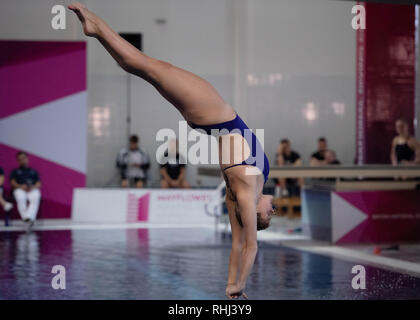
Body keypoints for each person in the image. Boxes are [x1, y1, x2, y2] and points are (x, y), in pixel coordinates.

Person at [69, 2, 274, 299]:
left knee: (146, 64)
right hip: (207, 120)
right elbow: (236, 245)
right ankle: (96, 29)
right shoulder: (241, 193)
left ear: (255, 214)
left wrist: (242, 283)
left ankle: (96, 26)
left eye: (269, 215)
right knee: (142, 68)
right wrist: (231, 286)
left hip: (215, 114)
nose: (274, 209)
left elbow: (249, 246)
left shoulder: (244, 192)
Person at [10, 151, 41, 226]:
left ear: (27, 159)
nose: (22, 160)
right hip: (20, 189)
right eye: (20, 159)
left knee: (36, 196)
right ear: (18, 161)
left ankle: (29, 218)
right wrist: (21, 186)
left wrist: (32, 187)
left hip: (31, 189)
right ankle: (26, 218)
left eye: (24, 158)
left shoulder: (33, 171)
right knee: (20, 197)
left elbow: (38, 183)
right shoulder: (15, 171)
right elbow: (12, 182)